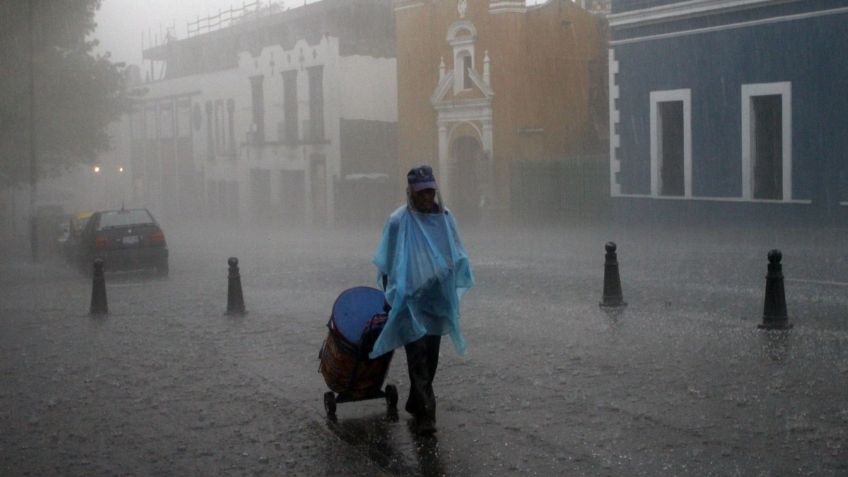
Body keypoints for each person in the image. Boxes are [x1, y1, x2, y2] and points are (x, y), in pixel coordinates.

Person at [369, 165, 474, 434]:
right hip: (410, 300)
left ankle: (416, 403)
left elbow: (457, 252)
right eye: (421, 193)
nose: (427, 198)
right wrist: (391, 295)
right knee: (417, 356)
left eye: (430, 192)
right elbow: (389, 261)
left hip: (436, 299)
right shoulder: (398, 222)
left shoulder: (446, 219)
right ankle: (427, 416)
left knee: (431, 357)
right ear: (411, 194)